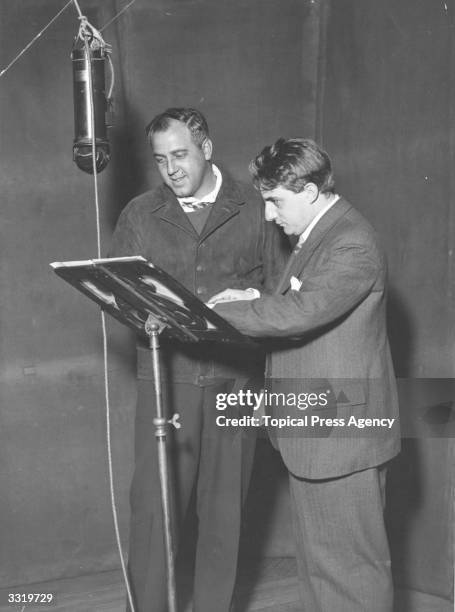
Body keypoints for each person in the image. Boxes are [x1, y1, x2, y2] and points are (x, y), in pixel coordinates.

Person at [210, 137, 401, 612]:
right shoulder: (318, 236)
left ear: (312, 191)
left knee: (351, 575)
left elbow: (302, 312)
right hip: (317, 430)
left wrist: (215, 312)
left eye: (275, 201)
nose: (270, 216)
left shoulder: (351, 241)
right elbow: (296, 299)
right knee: (321, 570)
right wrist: (248, 299)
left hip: (342, 436)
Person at [109, 108, 288, 612]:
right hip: (168, 378)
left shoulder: (257, 208)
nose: (172, 169)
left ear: (206, 149)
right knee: (154, 511)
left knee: (224, 513)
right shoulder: (140, 214)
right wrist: (141, 314)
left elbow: (281, 292)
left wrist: (245, 302)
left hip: (237, 381)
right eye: (161, 159)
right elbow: (122, 297)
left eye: (181, 155)